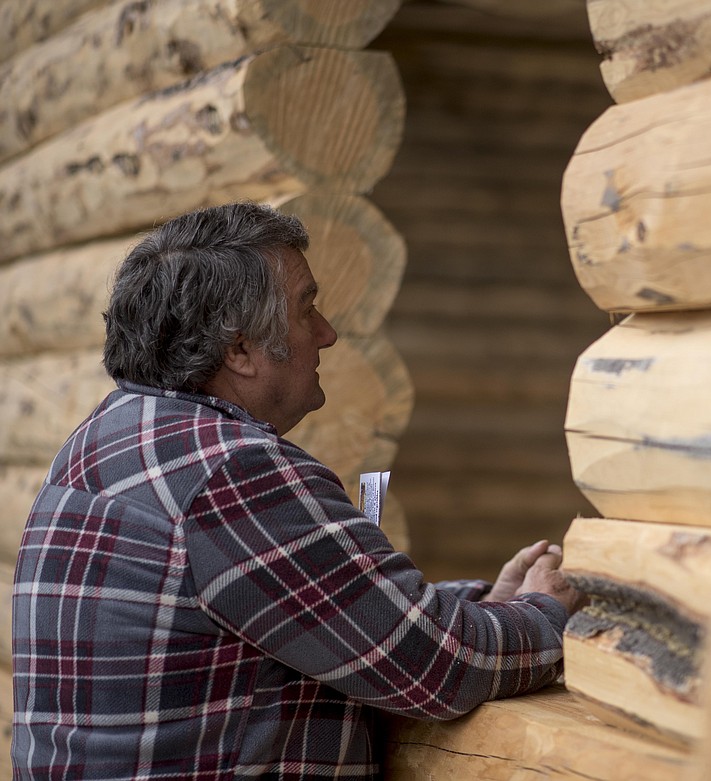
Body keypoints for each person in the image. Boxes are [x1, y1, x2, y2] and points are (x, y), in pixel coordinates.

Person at [11, 202, 585, 779]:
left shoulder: (105, 440)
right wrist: (545, 611)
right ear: (238, 350)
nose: (328, 334)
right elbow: (433, 669)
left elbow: (308, 606)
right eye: (306, 309)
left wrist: (481, 606)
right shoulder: (230, 472)